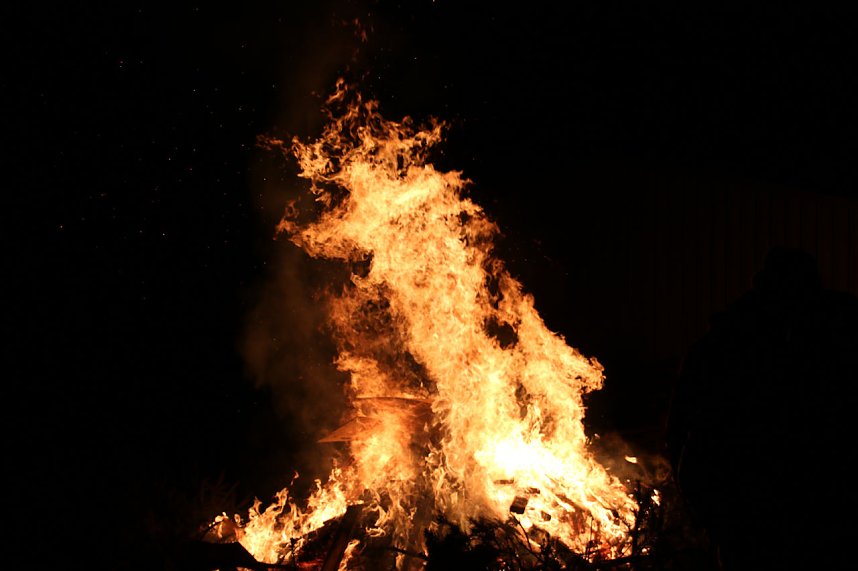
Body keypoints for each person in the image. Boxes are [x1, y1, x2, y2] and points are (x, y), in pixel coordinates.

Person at [666, 246, 858, 570]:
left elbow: (680, 428)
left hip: (792, 506)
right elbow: (684, 427)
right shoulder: (730, 343)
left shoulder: (830, 338)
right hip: (755, 506)